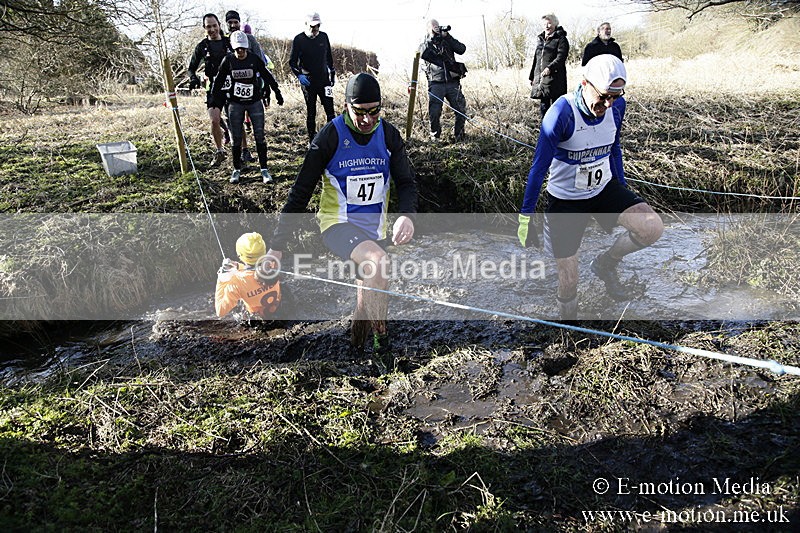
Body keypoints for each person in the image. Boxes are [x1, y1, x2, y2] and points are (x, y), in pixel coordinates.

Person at [265, 73, 417, 357]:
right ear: (345, 106)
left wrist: (407, 215)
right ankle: (382, 349)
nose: (367, 120)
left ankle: (356, 347)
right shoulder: (330, 137)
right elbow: (300, 192)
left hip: (373, 231)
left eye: (374, 111)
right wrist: (276, 247)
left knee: (366, 297)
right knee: (379, 263)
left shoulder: (389, 135)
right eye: (360, 112)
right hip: (338, 226)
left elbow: (407, 183)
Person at [517, 55, 664, 320]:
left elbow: (614, 148)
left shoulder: (616, 108)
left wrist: (623, 190)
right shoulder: (561, 113)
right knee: (569, 279)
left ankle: (606, 264)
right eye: (605, 96)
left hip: (603, 189)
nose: (608, 104)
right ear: (585, 83)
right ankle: (569, 330)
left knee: (651, 227)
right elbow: (539, 168)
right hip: (566, 200)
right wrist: (526, 216)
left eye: (616, 97)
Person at [211, 30, 284, 184]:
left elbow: (267, 75)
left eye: (243, 49)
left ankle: (264, 169)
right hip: (235, 103)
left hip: (254, 102)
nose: (240, 52)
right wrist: (214, 100)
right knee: (236, 137)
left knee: (259, 136)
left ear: (247, 48)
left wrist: (277, 92)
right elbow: (218, 82)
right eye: (237, 49)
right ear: (233, 48)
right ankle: (236, 169)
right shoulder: (228, 61)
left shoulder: (254, 59)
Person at [225, 9, 270, 165]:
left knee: (258, 130)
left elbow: (261, 62)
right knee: (235, 126)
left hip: (252, 90)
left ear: (239, 22)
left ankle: (262, 165)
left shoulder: (250, 39)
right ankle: (241, 154)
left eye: (235, 22)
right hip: (232, 93)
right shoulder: (225, 41)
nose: (233, 25)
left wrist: (263, 86)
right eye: (230, 23)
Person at [188, 13, 233, 167]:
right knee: (214, 119)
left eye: (214, 26)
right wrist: (193, 78)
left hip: (232, 85)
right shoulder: (202, 46)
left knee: (236, 120)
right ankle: (220, 151)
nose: (212, 29)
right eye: (208, 27)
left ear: (219, 25)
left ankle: (242, 152)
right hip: (214, 87)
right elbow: (191, 69)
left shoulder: (229, 42)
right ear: (204, 28)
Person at [289, 12, 336, 144]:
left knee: (330, 110)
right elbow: (292, 62)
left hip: (324, 79)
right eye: (312, 26)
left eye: (318, 26)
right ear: (306, 25)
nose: (315, 29)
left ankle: (331, 138)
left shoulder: (323, 37)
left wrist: (332, 73)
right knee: (311, 111)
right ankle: (312, 140)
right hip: (308, 81)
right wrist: (299, 75)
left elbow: (329, 57)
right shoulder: (299, 39)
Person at [419, 18, 468, 141]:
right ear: (428, 29)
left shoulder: (446, 41)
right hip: (436, 83)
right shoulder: (425, 42)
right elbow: (422, 53)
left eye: (437, 26)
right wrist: (431, 36)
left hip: (452, 82)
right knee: (434, 112)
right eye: (433, 27)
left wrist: (447, 37)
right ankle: (435, 137)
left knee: (461, 110)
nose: (437, 28)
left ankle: (459, 136)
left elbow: (461, 49)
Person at [216, 232, 282, 319]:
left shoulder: (237, 281)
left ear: (240, 255)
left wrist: (222, 279)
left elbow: (220, 311)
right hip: (279, 309)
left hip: (258, 320)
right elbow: (253, 270)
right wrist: (237, 266)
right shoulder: (272, 265)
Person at [528, 13, 569, 118]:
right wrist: (532, 76)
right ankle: (544, 130)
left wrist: (550, 68)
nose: (546, 26)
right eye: (544, 24)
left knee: (556, 107)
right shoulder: (540, 40)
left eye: (549, 23)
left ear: (555, 24)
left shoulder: (561, 39)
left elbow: (561, 57)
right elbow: (536, 59)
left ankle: (556, 130)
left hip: (556, 79)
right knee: (544, 106)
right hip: (542, 79)